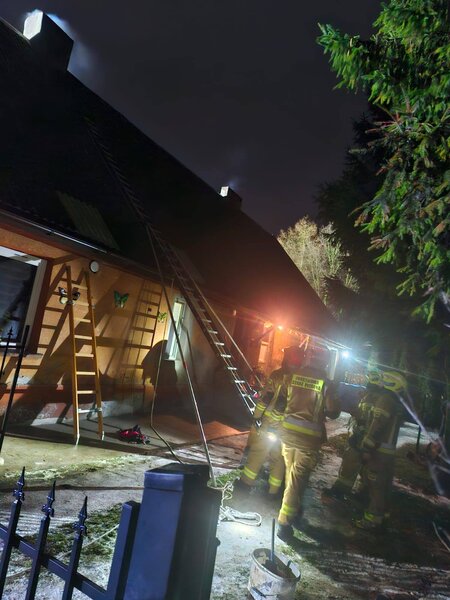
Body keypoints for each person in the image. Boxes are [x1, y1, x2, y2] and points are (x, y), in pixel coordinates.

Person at [277, 345, 340, 542]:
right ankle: (284, 523)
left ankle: (294, 511)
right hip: (307, 440)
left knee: (291, 476)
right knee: (297, 480)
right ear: (325, 361)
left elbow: (281, 401)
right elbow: (333, 411)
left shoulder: (293, 376)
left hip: (287, 435)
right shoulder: (326, 383)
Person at [353, 370, 407, 530]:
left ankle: (372, 521)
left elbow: (377, 425)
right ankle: (382, 516)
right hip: (388, 453)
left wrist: (366, 447)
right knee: (384, 486)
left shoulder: (385, 400)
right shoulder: (396, 403)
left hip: (379, 452)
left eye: (384, 380)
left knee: (375, 486)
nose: (380, 383)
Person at [322, 371, 382, 502]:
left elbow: (369, 420)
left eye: (370, 381)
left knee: (350, 464)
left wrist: (358, 417)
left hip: (362, 438)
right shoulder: (371, 396)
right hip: (362, 437)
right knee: (357, 467)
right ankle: (360, 495)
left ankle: (340, 492)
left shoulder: (373, 398)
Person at [235, 363, 288, 497]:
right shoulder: (299, 378)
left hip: (270, 423)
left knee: (258, 452)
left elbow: (266, 398)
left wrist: (257, 416)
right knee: (279, 458)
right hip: (287, 427)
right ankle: (273, 492)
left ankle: (244, 485)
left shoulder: (278, 375)